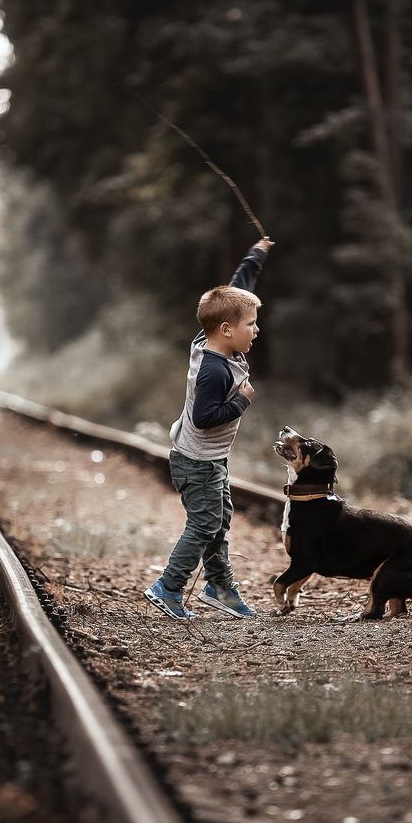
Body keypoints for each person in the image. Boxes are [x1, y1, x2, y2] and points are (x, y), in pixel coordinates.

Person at [144, 237, 274, 620]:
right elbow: (205, 417)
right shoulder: (214, 370)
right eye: (251, 324)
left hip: (210, 458)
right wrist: (242, 401)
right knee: (204, 524)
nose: (257, 330)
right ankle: (167, 586)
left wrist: (256, 255)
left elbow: (238, 289)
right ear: (227, 330)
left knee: (219, 520)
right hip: (197, 462)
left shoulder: (208, 338)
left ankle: (219, 587)